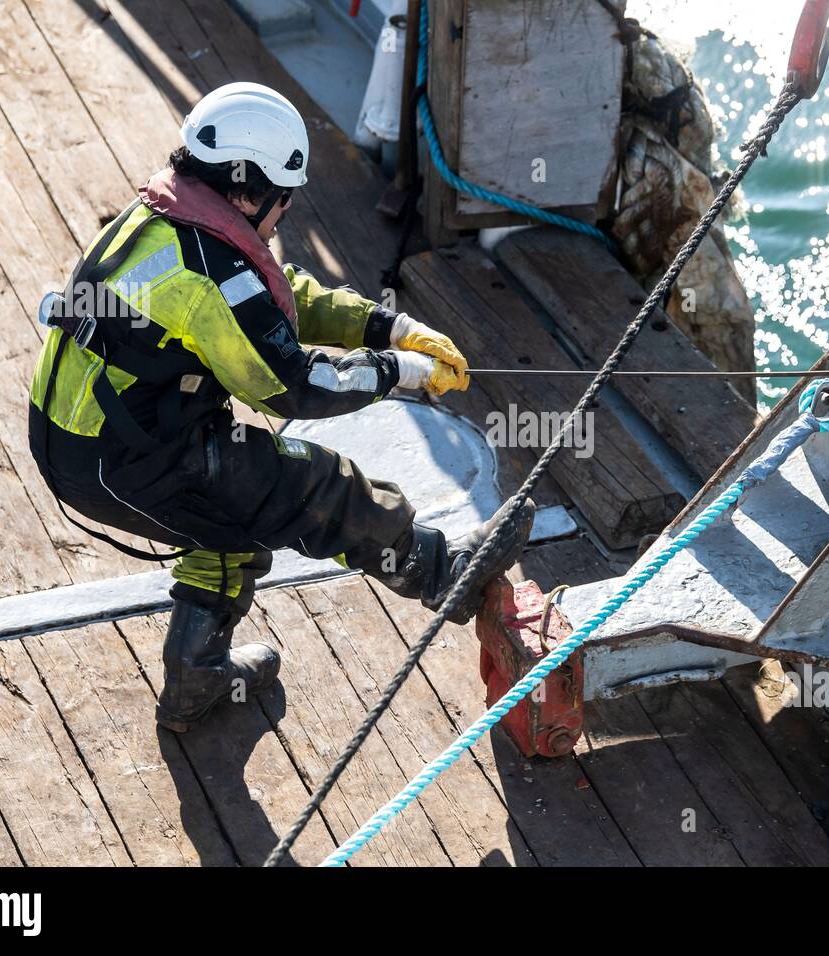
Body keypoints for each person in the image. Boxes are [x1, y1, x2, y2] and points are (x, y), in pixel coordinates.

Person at [28, 82, 533, 733]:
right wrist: (398, 372)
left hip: (88, 436)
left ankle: (196, 679)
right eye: (282, 204)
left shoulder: (171, 215)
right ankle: (443, 575)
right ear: (248, 192)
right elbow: (288, 385)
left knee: (229, 521)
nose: (283, 217)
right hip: (120, 456)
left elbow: (277, 295)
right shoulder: (206, 273)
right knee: (313, 486)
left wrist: (386, 327)